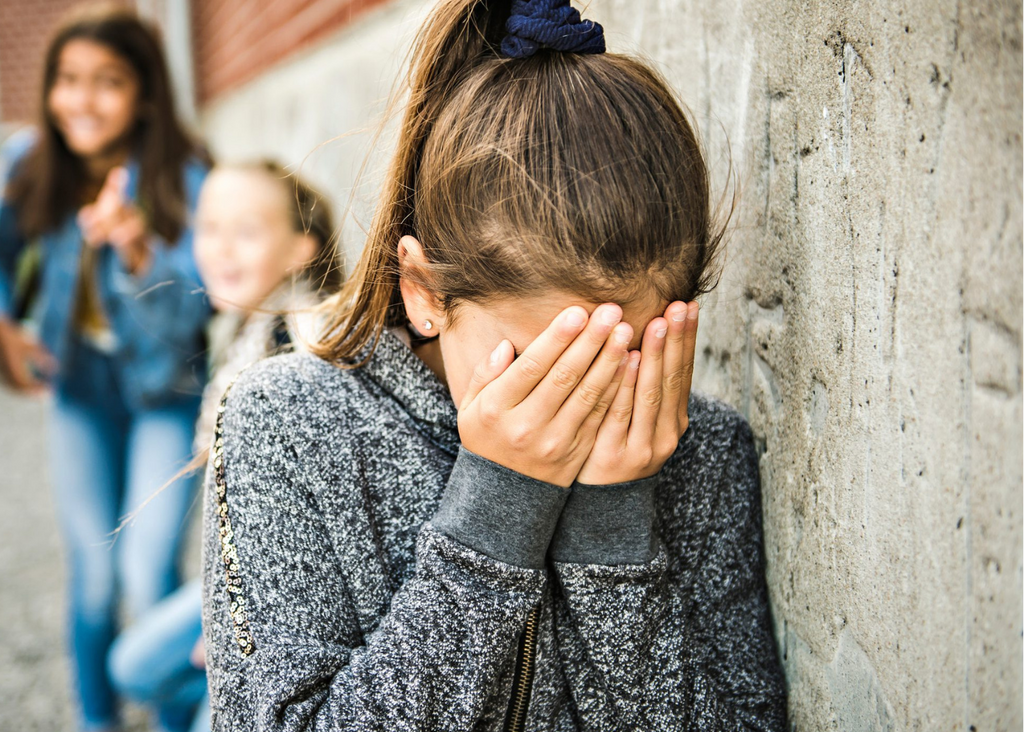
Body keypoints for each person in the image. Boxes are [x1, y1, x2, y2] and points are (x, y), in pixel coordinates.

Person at [202, 0, 787, 729]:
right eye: (542, 365)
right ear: (423, 294)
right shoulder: (289, 424)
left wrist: (614, 529)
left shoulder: (702, 453)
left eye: (625, 354)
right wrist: (496, 514)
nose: (582, 398)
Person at [0, 6, 210, 730]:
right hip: (82, 397)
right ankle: (98, 719)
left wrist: (135, 252)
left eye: (108, 82)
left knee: (145, 573)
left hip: (166, 395)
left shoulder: (186, 178)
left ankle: (183, 716)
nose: (82, 100)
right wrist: (4, 324)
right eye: (69, 80)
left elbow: (192, 315)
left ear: (146, 94)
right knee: (92, 581)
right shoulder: (27, 165)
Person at [107, 160, 341, 732]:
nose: (221, 249)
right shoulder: (242, 331)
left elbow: (315, 518)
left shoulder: (305, 343)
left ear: (299, 250)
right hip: (240, 577)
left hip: (289, 599)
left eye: (247, 231)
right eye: (208, 228)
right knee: (133, 667)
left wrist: (236, 630)